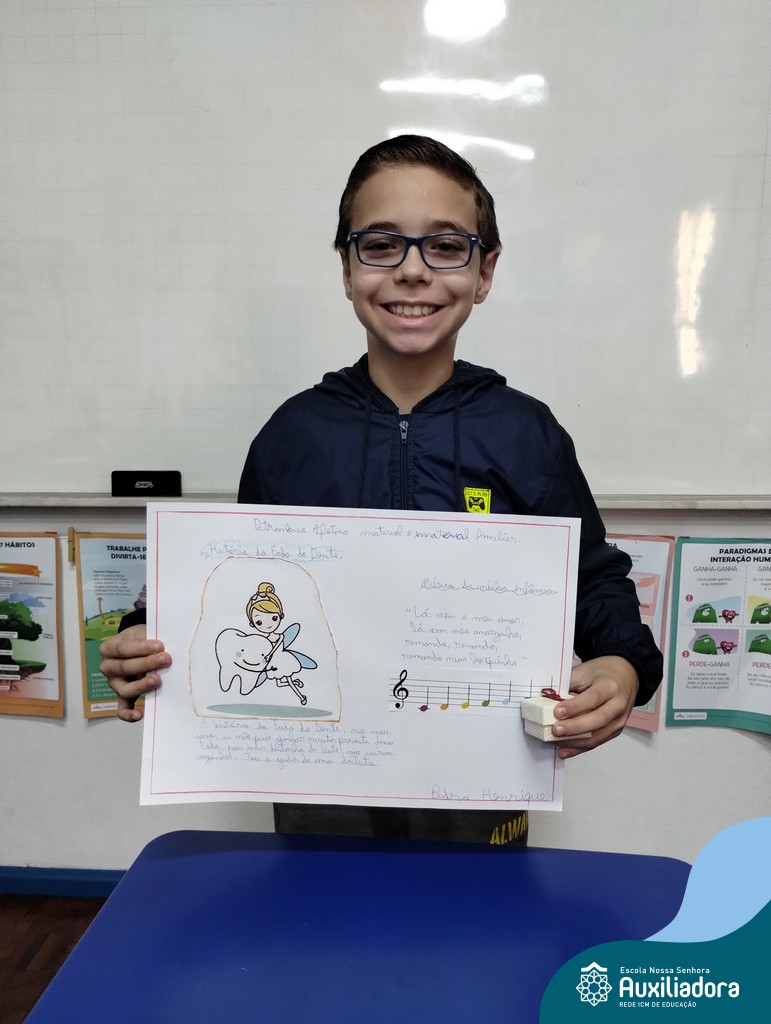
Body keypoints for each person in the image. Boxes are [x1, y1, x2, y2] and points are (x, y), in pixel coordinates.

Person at [100, 134, 662, 848]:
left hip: (482, 778)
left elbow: (591, 577)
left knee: (478, 918)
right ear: (346, 267)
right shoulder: (293, 435)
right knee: (325, 913)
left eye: (446, 246)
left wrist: (621, 662)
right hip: (322, 782)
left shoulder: (527, 434)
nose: (412, 270)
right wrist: (142, 635)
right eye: (381, 245)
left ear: (485, 271)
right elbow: (235, 576)